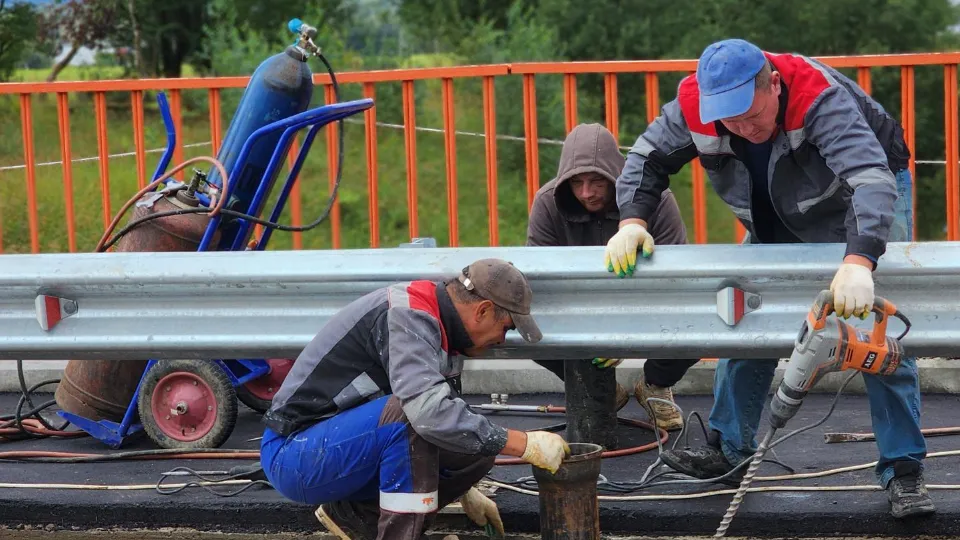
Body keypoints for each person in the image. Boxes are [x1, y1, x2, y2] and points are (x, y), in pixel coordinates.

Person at [605, 38, 932, 519]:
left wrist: (860, 261)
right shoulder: (696, 105)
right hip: (773, 204)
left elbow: (869, 177)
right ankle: (729, 450)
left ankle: (904, 470)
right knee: (744, 311)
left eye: (750, 116)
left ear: (774, 85)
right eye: (729, 120)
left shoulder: (818, 97)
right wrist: (632, 221)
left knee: (873, 331)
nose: (740, 128)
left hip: (858, 194)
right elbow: (647, 158)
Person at [259, 258, 571, 540]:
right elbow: (427, 414)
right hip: (295, 454)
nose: (502, 340)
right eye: (506, 328)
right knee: (416, 416)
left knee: (476, 444)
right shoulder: (408, 316)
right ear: (483, 310)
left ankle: (357, 518)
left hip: (335, 446)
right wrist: (525, 444)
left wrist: (465, 489)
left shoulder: (444, 327)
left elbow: (447, 423)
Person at [526, 122, 700, 431]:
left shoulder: (657, 202)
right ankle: (600, 388)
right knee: (524, 327)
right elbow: (539, 287)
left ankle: (655, 384)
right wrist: (589, 331)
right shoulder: (547, 203)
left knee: (701, 320)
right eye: (577, 182)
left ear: (616, 178)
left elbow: (677, 285)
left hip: (647, 303)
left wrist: (626, 333)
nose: (586, 193)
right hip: (577, 308)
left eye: (597, 182)